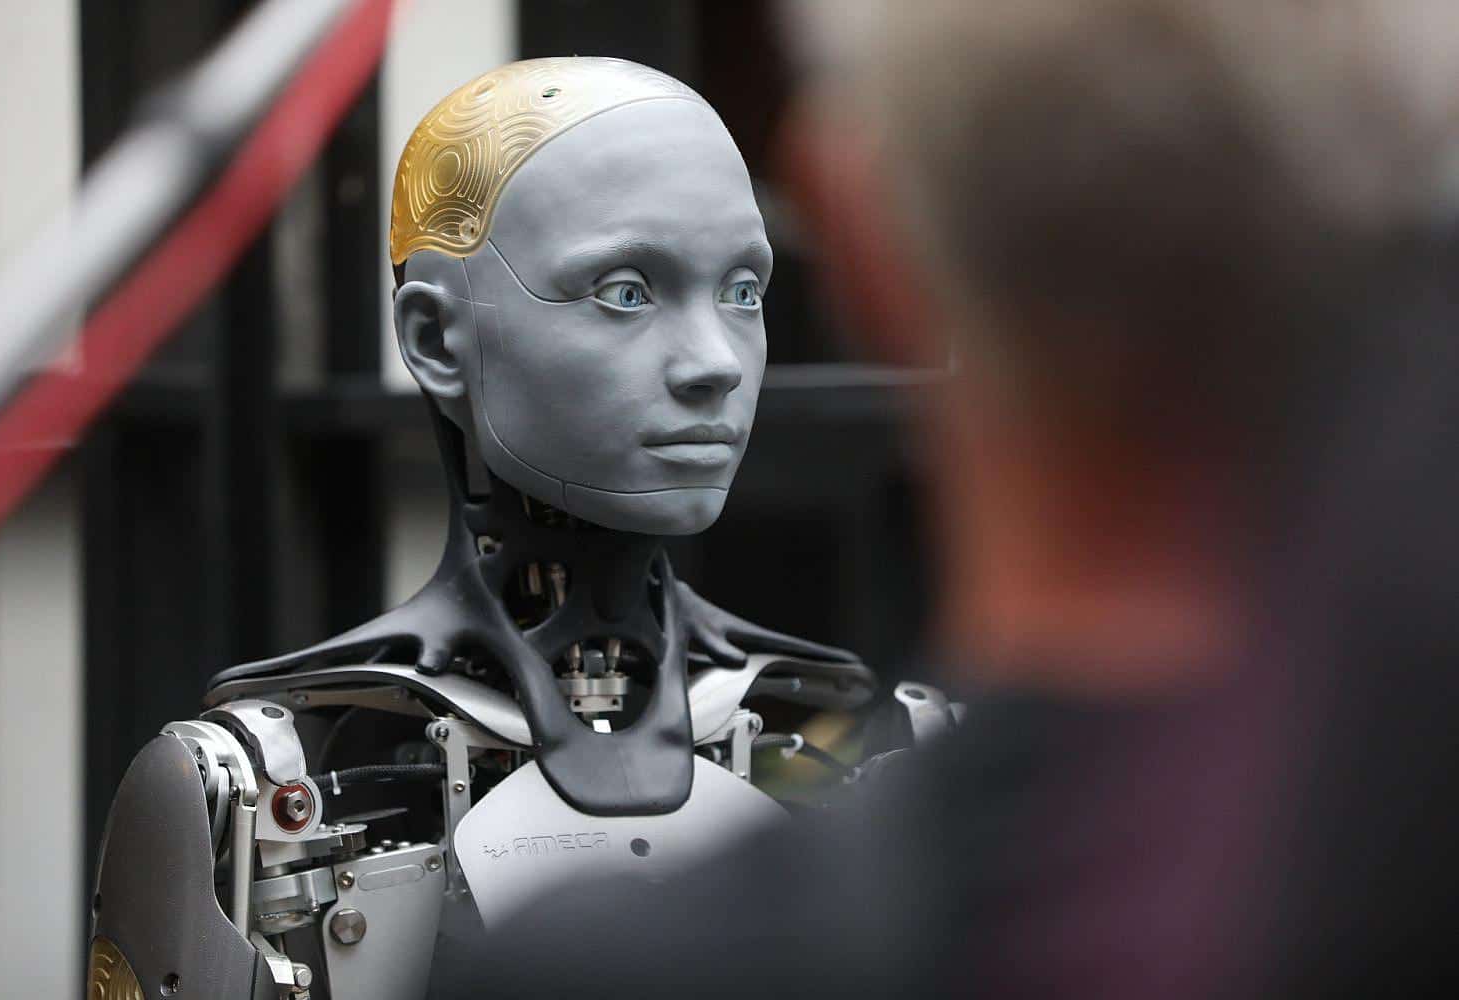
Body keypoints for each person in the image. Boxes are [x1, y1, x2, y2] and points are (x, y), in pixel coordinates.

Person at [448, 1, 1459, 995]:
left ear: (856, 234)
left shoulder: (621, 965)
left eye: (744, 290)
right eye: (626, 292)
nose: (710, 363)